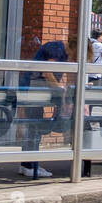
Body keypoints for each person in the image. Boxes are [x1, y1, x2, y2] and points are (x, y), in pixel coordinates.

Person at [18, 35, 77, 178]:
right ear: (74, 48)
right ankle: (29, 166)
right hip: (32, 90)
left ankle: (29, 164)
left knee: (34, 127)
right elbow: (48, 72)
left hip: (35, 90)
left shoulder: (62, 53)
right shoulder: (56, 49)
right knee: (34, 127)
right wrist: (61, 88)